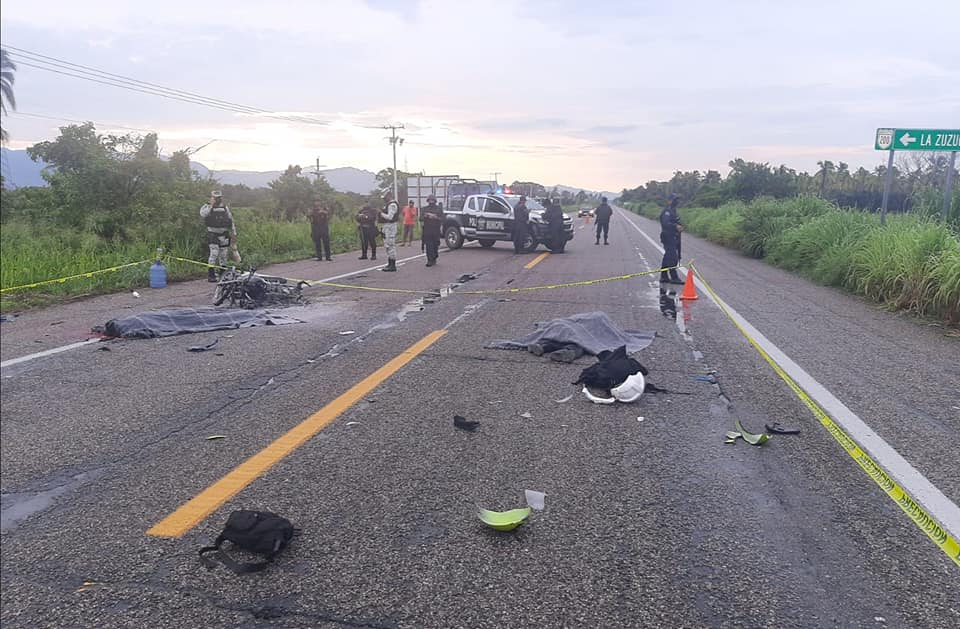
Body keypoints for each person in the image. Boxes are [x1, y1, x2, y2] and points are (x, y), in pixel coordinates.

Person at [200, 191, 237, 282]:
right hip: (213, 234)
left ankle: (222, 274)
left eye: (219, 198)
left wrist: (234, 233)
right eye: (215, 198)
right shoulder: (206, 207)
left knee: (224, 255)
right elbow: (203, 214)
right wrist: (211, 205)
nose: (217, 199)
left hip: (224, 234)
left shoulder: (225, 208)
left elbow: (231, 220)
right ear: (211, 197)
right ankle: (211, 274)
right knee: (214, 253)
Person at [659, 194, 684, 284]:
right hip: (668, 236)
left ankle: (664, 276)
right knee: (672, 257)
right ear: (669, 201)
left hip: (674, 236)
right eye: (674, 200)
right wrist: (676, 226)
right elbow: (666, 223)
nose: (676, 202)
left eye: (677, 200)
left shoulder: (673, 211)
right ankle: (674, 277)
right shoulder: (667, 211)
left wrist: (679, 225)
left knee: (667, 257)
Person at [378, 191, 400, 272]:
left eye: (385, 197)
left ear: (389, 196)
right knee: (387, 245)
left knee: (390, 245)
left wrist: (381, 213)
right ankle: (390, 263)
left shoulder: (392, 205)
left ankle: (392, 265)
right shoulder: (388, 204)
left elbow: (390, 217)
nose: (384, 199)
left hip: (390, 227)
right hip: (386, 227)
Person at [421, 194, 444, 267]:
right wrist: (425, 216)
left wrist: (435, 217)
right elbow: (420, 218)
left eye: (432, 200)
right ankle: (429, 260)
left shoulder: (438, 209)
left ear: (435, 200)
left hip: (436, 229)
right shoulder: (424, 209)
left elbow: (443, 219)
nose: (431, 201)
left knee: (435, 244)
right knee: (428, 245)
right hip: (427, 229)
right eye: (430, 200)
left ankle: (434, 257)